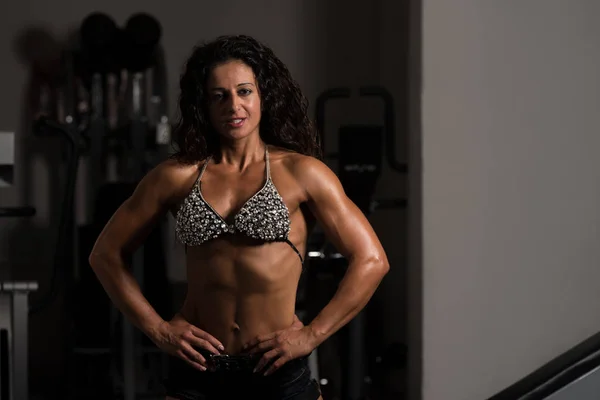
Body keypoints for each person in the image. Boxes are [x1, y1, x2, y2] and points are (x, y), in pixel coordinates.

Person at [88, 34, 390, 400]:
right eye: (219, 95)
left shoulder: (302, 172)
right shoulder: (176, 175)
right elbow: (105, 254)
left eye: (244, 91)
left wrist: (311, 335)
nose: (234, 105)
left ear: (264, 95)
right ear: (204, 104)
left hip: (277, 371)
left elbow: (372, 260)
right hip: (199, 370)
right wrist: (160, 331)